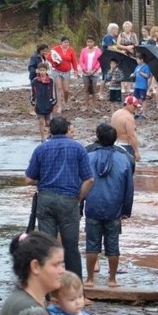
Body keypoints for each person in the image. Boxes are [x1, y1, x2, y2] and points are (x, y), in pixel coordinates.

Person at [25, 117, 94, 279]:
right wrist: (79, 198)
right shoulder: (78, 148)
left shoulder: (41, 149)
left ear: (50, 130)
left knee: (48, 247)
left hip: (46, 199)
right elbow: (89, 179)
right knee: (71, 247)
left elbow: (28, 179)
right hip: (69, 199)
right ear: (67, 129)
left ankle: (48, 291)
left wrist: (43, 180)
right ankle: (76, 290)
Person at [83, 123, 134, 288]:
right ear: (115, 139)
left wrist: (79, 205)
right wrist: (126, 210)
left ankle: (90, 279)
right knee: (113, 245)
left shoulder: (88, 158)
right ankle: (112, 279)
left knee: (92, 244)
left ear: (98, 137)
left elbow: (82, 183)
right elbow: (128, 189)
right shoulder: (123, 160)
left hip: (92, 206)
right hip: (114, 208)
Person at [110, 96, 142, 172]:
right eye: (134, 106)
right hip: (125, 146)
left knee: (116, 171)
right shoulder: (128, 117)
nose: (135, 108)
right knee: (128, 172)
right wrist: (136, 152)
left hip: (114, 145)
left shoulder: (115, 113)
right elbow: (131, 136)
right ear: (127, 104)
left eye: (136, 106)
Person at [49, 36, 78, 114]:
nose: (66, 44)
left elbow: (74, 60)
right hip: (57, 71)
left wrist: (75, 70)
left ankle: (65, 102)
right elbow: (49, 57)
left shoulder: (71, 50)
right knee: (59, 88)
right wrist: (54, 63)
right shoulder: (56, 49)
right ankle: (59, 106)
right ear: (61, 42)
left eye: (67, 42)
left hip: (66, 71)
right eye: (65, 42)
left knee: (66, 90)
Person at [31, 62, 57, 142]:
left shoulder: (51, 81)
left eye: (43, 70)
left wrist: (54, 102)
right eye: (40, 70)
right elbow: (32, 92)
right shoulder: (35, 81)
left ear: (46, 71)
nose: (42, 72)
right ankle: (42, 138)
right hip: (39, 104)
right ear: (38, 71)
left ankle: (50, 134)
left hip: (48, 104)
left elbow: (54, 92)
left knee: (48, 122)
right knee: (41, 122)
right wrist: (32, 102)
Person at [79, 35, 102, 105]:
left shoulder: (98, 51)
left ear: (94, 42)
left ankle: (94, 106)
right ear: (86, 42)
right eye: (88, 42)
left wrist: (94, 70)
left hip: (94, 73)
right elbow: (81, 61)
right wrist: (85, 70)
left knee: (94, 90)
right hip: (85, 73)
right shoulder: (83, 50)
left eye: (91, 42)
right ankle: (86, 106)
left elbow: (99, 61)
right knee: (86, 90)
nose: (89, 43)